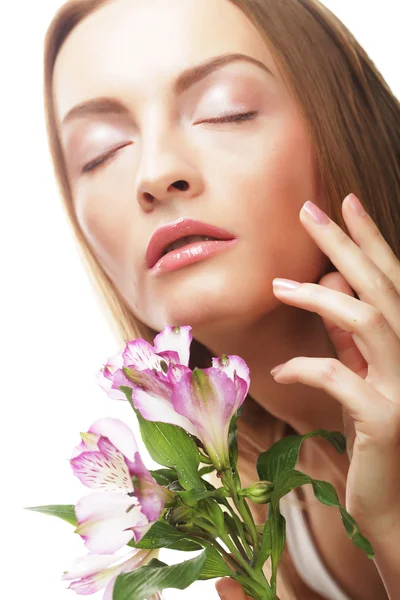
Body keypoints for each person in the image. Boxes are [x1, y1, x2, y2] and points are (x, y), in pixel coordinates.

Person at [43, 0, 400, 598]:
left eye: (225, 111)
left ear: (345, 125)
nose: (155, 173)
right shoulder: (250, 518)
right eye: (100, 152)